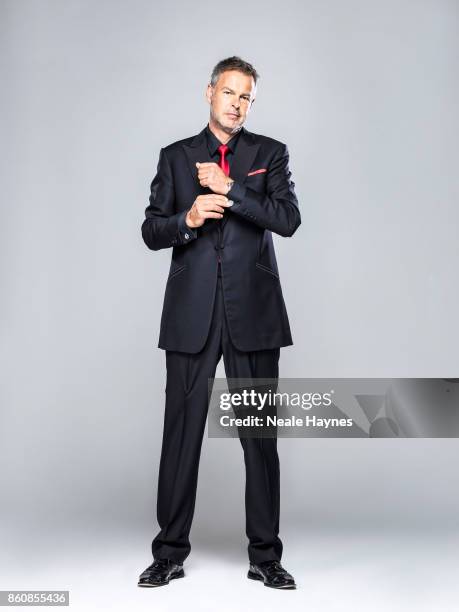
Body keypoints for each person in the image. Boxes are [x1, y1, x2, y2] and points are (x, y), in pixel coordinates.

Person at [138, 56, 300, 589]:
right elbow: (151, 230)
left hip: (252, 313)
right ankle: (169, 552)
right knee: (180, 434)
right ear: (209, 92)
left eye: (246, 97)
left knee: (259, 436)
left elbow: (287, 219)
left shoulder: (267, 154)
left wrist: (232, 190)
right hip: (192, 316)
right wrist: (186, 220)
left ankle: (265, 555)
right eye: (229, 92)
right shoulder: (176, 157)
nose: (237, 103)